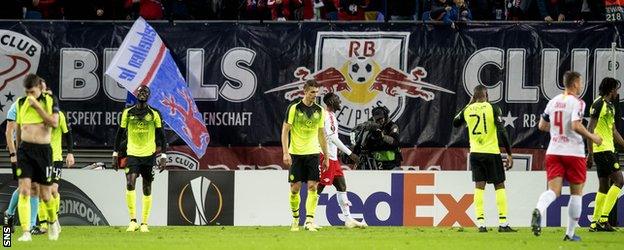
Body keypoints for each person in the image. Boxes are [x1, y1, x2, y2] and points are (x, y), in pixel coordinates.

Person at [531, 71, 602, 242]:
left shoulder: (553, 101)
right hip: (573, 152)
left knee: (553, 191)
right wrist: (593, 137)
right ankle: (570, 234)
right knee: (576, 193)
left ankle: (539, 210)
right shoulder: (577, 103)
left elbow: (541, 125)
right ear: (575, 84)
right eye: (581, 82)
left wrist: (556, 132)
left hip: (554, 151)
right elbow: (576, 125)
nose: (582, 85)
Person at [452, 85, 516, 233]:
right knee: (499, 185)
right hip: (492, 153)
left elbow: (455, 122)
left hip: (475, 153)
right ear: (486, 94)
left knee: (479, 187)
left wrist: (469, 104)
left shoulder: (468, 110)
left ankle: (481, 224)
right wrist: (509, 153)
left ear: (474, 96)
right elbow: (502, 131)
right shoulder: (493, 108)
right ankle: (503, 223)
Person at [112, 85, 167, 233]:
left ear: (148, 96)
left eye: (145, 92)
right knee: (130, 183)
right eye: (140, 92)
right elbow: (119, 134)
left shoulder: (154, 114)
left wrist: (163, 155)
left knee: (147, 188)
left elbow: (161, 135)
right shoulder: (128, 113)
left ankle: (144, 223)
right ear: (137, 94)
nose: (142, 94)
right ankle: (133, 221)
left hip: (149, 155)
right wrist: (115, 154)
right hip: (132, 154)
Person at [14, 73, 61, 241]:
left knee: (45, 194)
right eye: (27, 93)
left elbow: (54, 123)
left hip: (43, 152)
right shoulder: (20, 103)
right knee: (25, 190)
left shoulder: (50, 101)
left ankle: (52, 221)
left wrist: (37, 108)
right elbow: (19, 128)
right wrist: (18, 149)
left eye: (32, 92)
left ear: (40, 88)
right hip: (25, 151)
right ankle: (26, 232)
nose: (29, 96)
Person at [282, 79, 329, 232]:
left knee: (312, 186)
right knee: (295, 189)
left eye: (316, 92)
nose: (314, 95)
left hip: (313, 153)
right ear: (305, 91)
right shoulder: (294, 108)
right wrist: (285, 152)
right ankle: (295, 219)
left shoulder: (320, 110)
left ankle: (309, 221)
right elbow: (285, 131)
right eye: (312, 92)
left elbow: (322, 134)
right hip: (296, 154)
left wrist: (326, 157)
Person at [318, 93, 366, 228]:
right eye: (338, 99)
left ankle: (348, 219)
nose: (340, 101)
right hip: (326, 157)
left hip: (333, 158)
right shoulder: (327, 115)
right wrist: (350, 153)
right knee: (318, 189)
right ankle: (308, 219)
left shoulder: (331, 115)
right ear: (331, 101)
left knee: (342, 186)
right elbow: (332, 137)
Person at [587, 77, 623, 232]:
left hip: (607, 149)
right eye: (616, 89)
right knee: (619, 181)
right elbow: (589, 128)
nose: (617, 92)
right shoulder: (599, 103)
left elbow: (614, 131)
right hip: (603, 150)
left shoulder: (610, 106)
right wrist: (590, 153)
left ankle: (595, 222)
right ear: (610, 90)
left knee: (603, 186)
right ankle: (603, 218)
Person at [36, 110, 74, 234]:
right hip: (40, 159)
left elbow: (67, 134)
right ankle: (43, 225)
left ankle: (54, 218)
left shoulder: (59, 115)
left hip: (56, 158)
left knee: (53, 190)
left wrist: (70, 153)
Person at [355, 106, 402, 170]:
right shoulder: (372, 124)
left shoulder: (392, 126)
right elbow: (364, 127)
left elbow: (396, 142)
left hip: (391, 162)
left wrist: (383, 137)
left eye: (381, 118)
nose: (379, 121)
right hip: (375, 161)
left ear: (385, 116)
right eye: (377, 119)